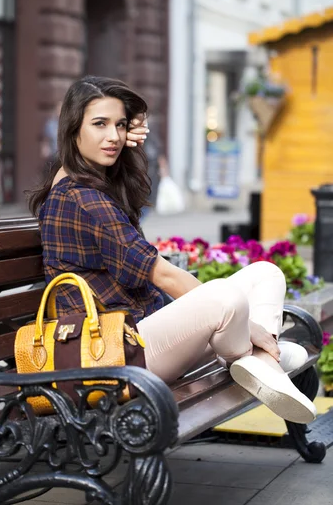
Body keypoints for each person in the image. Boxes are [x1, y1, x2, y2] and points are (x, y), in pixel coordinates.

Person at [28, 75, 316, 424]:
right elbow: (162, 273)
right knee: (224, 296)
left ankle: (260, 365)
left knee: (265, 274)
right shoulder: (84, 199)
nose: (114, 137)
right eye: (99, 124)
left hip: (146, 334)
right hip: (116, 353)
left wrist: (135, 121)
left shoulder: (77, 181)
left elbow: (77, 160)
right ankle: (259, 360)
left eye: (120, 125)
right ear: (74, 129)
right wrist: (251, 329)